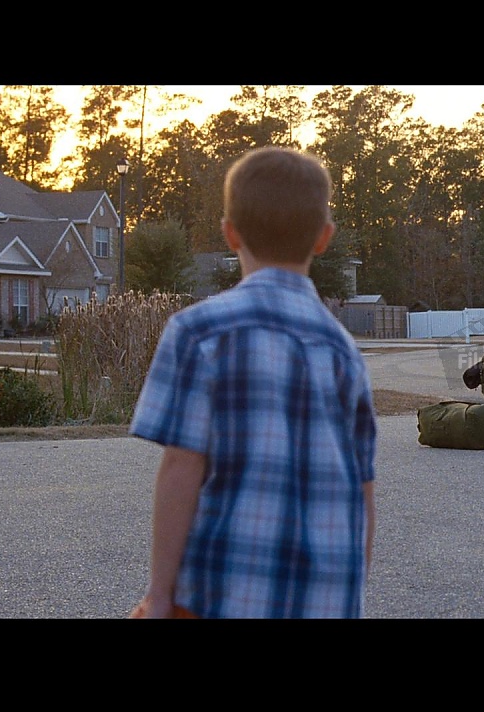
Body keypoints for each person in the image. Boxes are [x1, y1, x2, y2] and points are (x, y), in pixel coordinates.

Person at [128, 146, 376, 618]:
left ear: (230, 233)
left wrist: (159, 593)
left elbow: (181, 466)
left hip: (223, 592)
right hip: (325, 599)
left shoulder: (199, 331)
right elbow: (363, 486)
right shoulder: (344, 352)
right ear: (324, 238)